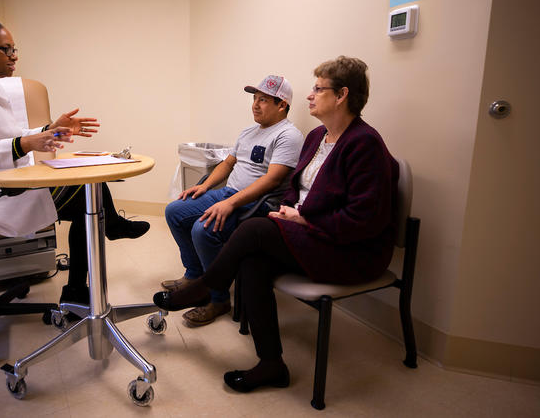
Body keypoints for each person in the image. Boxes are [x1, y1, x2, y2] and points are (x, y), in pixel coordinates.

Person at [153, 56, 398, 393]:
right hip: (311, 236)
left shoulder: (364, 144)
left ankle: (205, 287)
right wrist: (290, 213)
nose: (310, 96)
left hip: (349, 250)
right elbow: (295, 191)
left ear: (342, 95)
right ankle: (272, 365)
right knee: (253, 262)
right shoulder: (317, 138)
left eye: (317, 88)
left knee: (252, 229)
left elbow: (365, 220)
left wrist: (304, 218)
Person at [0, 12, 149, 305]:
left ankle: (86, 274)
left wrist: (49, 130)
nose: (14, 56)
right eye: (6, 49)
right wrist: (28, 142)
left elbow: (9, 135)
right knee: (86, 195)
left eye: (15, 49)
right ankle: (101, 246)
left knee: (88, 190)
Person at [161, 75, 303, 327]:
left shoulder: (288, 135)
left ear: (282, 105)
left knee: (203, 229)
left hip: (256, 204)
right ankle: (195, 275)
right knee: (174, 211)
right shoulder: (248, 131)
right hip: (228, 193)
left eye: (264, 100)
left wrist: (231, 203)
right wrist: (203, 186)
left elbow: (272, 181)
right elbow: (228, 163)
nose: (255, 105)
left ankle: (218, 299)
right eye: (254, 99)